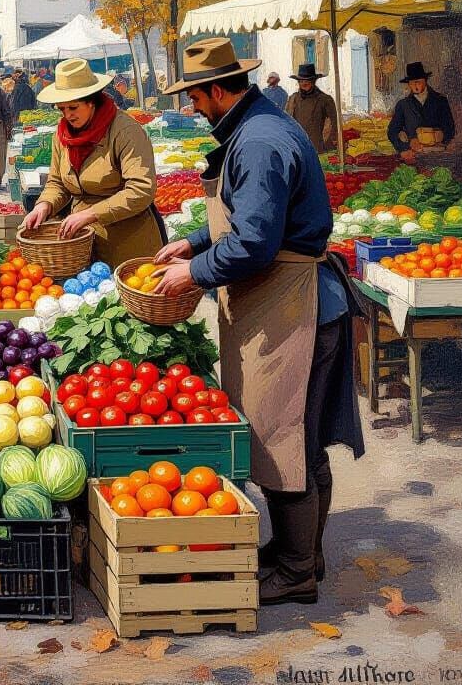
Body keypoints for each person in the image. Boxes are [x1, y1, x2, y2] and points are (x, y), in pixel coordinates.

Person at [153, 38, 364, 607]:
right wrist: (195, 241)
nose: (193, 107)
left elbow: (253, 242)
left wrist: (193, 272)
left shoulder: (261, 141)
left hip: (295, 307)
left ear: (218, 91)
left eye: (196, 97)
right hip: (292, 301)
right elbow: (250, 212)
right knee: (300, 437)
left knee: (282, 438)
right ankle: (302, 553)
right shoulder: (256, 127)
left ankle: (297, 572)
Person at [23, 59, 165, 262]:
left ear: (92, 101)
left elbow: (141, 189)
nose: (67, 115)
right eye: (62, 109)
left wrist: (91, 214)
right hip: (79, 242)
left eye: (73, 107)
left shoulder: (125, 131)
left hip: (126, 242)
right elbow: (57, 183)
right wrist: (44, 205)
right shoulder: (62, 135)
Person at [387, 61, 456, 160]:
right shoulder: (403, 105)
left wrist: (441, 136)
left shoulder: (440, 101)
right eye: (411, 83)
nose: (415, 86)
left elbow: (450, 129)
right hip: (413, 156)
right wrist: (405, 146)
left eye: (418, 82)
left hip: (438, 156)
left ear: (425, 81)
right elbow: (392, 132)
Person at [285, 63, 338, 153]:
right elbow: (286, 122)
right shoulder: (292, 99)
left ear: (313, 81)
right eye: (301, 81)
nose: (303, 83)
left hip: (318, 148)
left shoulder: (325, 99)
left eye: (307, 81)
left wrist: (327, 144)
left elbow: (334, 125)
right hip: (297, 147)